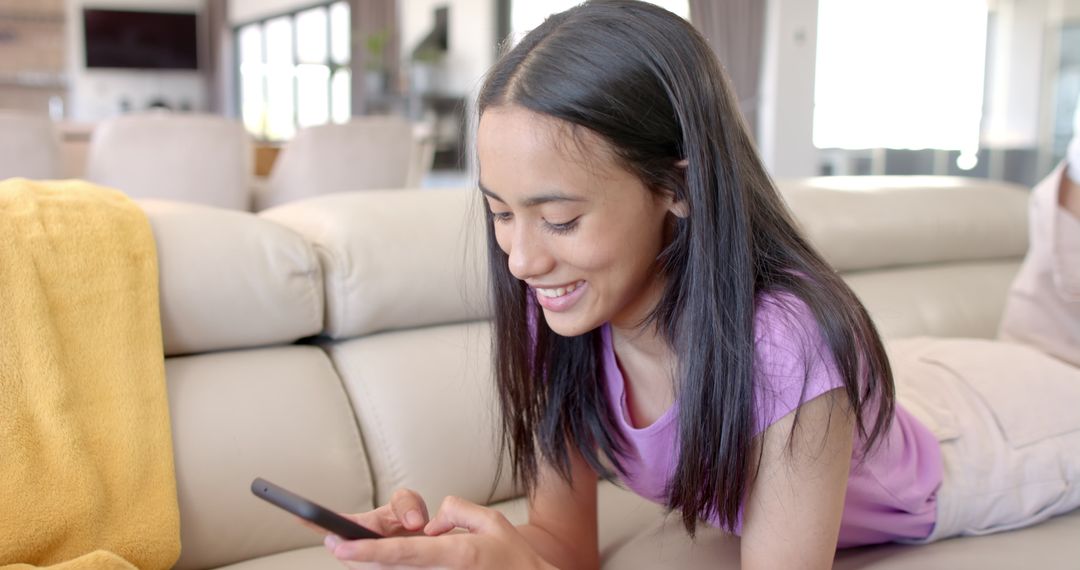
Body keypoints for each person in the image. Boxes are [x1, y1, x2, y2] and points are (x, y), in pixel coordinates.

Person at [313, 2, 1080, 568]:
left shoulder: (785, 343)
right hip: (879, 395)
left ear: (677, 188)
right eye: (500, 214)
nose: (520, 259)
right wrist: (478, 555)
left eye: (559, 218)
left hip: (992, 435)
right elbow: (560, 546)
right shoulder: (555, 307)